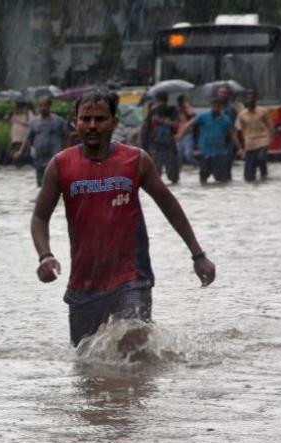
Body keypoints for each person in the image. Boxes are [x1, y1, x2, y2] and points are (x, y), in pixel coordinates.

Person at [30, 90, 216, 348]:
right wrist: (45, 255)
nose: (92, 126)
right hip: (84, 282)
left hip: (132, 277)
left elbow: (169, 206)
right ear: (75, 122)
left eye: (100, 119)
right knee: (85, 359)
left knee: (135, 354)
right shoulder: (60, 165)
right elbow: (40, 217)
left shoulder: (136, 160)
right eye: (85, 119)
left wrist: (198, 255)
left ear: (114, 123)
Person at [179, 98, 240, 184]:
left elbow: (232, 134)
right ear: (211, 107)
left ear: (221, 107)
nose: (215, 109)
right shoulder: (203, 116)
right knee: (203, 179)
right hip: (205, 153)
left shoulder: (226, 119)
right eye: (214, 107)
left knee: (223, 180)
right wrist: (180, 135)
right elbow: (188, 124)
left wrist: (239, 147)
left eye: (218, 107)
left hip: (220, 153)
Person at [15, 97, 69, 187]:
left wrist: (67, 152)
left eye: (45, 106)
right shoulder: (34, 122)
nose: (42, 108)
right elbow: (28, 138)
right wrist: (21, 151)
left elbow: (67, 136)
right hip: (39, 159)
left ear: (50, 106)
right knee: (40, 185)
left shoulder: (58, 121)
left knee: (54, 184)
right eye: (40, 106)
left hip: (54, 158)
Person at [235, 90, 274, 182]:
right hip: (250, 144)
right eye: (248, 98)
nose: (250, 100)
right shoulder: (242, 114)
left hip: (263, 140)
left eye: (252, 98)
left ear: (256, 99)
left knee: (261, 158)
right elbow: (239, 130)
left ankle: (264, 176)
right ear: (245, 100)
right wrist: (241, 147)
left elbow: (270, 127)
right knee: (248, 177)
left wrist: (269, 140)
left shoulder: (263, 111)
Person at [141, 91, 180, 183]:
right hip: (157, 142)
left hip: (167, 141)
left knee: (170, 167)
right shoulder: (153, 110)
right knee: (157, 167)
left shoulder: (172, 109)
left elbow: (175, 124)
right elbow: (147, 126)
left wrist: (161, 120)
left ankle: (169, 179)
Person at [9, 101, 35, 166]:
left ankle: (22, 162)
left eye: (20, 106)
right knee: (15, 150)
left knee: (23, 150)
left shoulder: (28, 113)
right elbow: (11, 123)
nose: (19, 108)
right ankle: (17, 163)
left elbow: (32, 123)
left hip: (23, 137)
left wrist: (20, 121)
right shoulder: (15, 113)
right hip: (15, 137)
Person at [175, 94, 196, 166]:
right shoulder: (177, 110)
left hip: (187, 134)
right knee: (179, 154)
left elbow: (193, 118)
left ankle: (199, 166)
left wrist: (185, 109)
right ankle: (179, 168)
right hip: (179, 135)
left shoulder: (188, 107)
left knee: (188, 156)